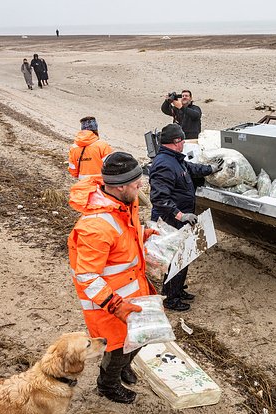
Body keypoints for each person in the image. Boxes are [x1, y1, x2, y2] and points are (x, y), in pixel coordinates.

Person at [68, 152, 158, 404]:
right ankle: (107, 385)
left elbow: (123, 237)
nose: (141, 187)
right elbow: (87, 276)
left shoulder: (122, 202)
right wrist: (117, 305)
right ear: (120, 186)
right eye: (136, 183)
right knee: (117, 347)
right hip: (109, 304)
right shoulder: (94, 226)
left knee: (138, 338)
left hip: (132, 291)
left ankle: (123, 367)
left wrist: (144, 234)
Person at [148, 124, 223, 311]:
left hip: (180, 217)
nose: (183, 143)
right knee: (176, 258)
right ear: (175, 142)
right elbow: (159, 198)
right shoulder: (164, 164)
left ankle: (177, 290)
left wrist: (210, 168)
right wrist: (180, 215)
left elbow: (190, 168)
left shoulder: (174, 159)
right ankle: (171, 299)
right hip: (170, 221)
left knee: (184, 256)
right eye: (182, 140)